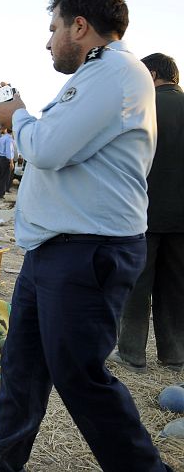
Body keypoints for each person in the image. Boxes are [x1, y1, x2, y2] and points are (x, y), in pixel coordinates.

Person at [0, 0, 173, 472]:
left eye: (54, 29)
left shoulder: (117, 74)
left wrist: (16, 112)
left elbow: (45, 148)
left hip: (88, 252)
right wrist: (27, 120)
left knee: (79, 375)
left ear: (81, 26)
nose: (49, 42)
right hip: (57, 249)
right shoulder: (95, 76)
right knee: (23, 363)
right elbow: (56, 143)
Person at [109, 53, 184, 373]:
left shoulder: (142, 108)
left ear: (152, 74)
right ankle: (175, 353)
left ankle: (132, 353)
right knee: (177, 286)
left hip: (143, 213)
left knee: (137, 285)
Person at [0, 128, 14, 199]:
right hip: (5, 159)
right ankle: (0, 195)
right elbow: (9, 151)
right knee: (4, 178)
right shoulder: (9, 139)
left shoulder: (2, 138)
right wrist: (11, 162)